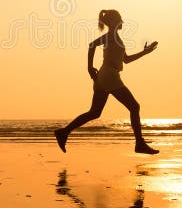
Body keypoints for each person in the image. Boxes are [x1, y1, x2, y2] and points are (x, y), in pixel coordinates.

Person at [54, 9, 159, 154]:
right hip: (110, 75)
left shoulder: (115, 37)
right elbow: (92, 45)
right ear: (115, 22)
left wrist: (144, 52)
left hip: (103, 77)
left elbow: (126, 60)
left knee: (94, 112)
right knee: (134, 107)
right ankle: (139, 144)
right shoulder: (110, 36)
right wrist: (89, 67)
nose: (122, 21)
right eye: (120, 18)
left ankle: (63, 132)